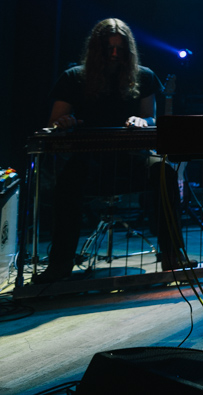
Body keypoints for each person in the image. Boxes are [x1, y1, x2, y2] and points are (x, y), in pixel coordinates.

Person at [34, 18, 188, 284]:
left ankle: (173, 256)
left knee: (163, 171)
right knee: (69, 179)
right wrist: (64, 122)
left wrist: (143, 121)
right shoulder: (74, 77)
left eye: (120, 48)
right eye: (109, 48)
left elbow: (150, 117)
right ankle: (60, 263)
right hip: (89, 159)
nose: (115, 54)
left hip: (131, 158)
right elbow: (54, 121)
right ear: (97, 49)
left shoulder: (144, 76)